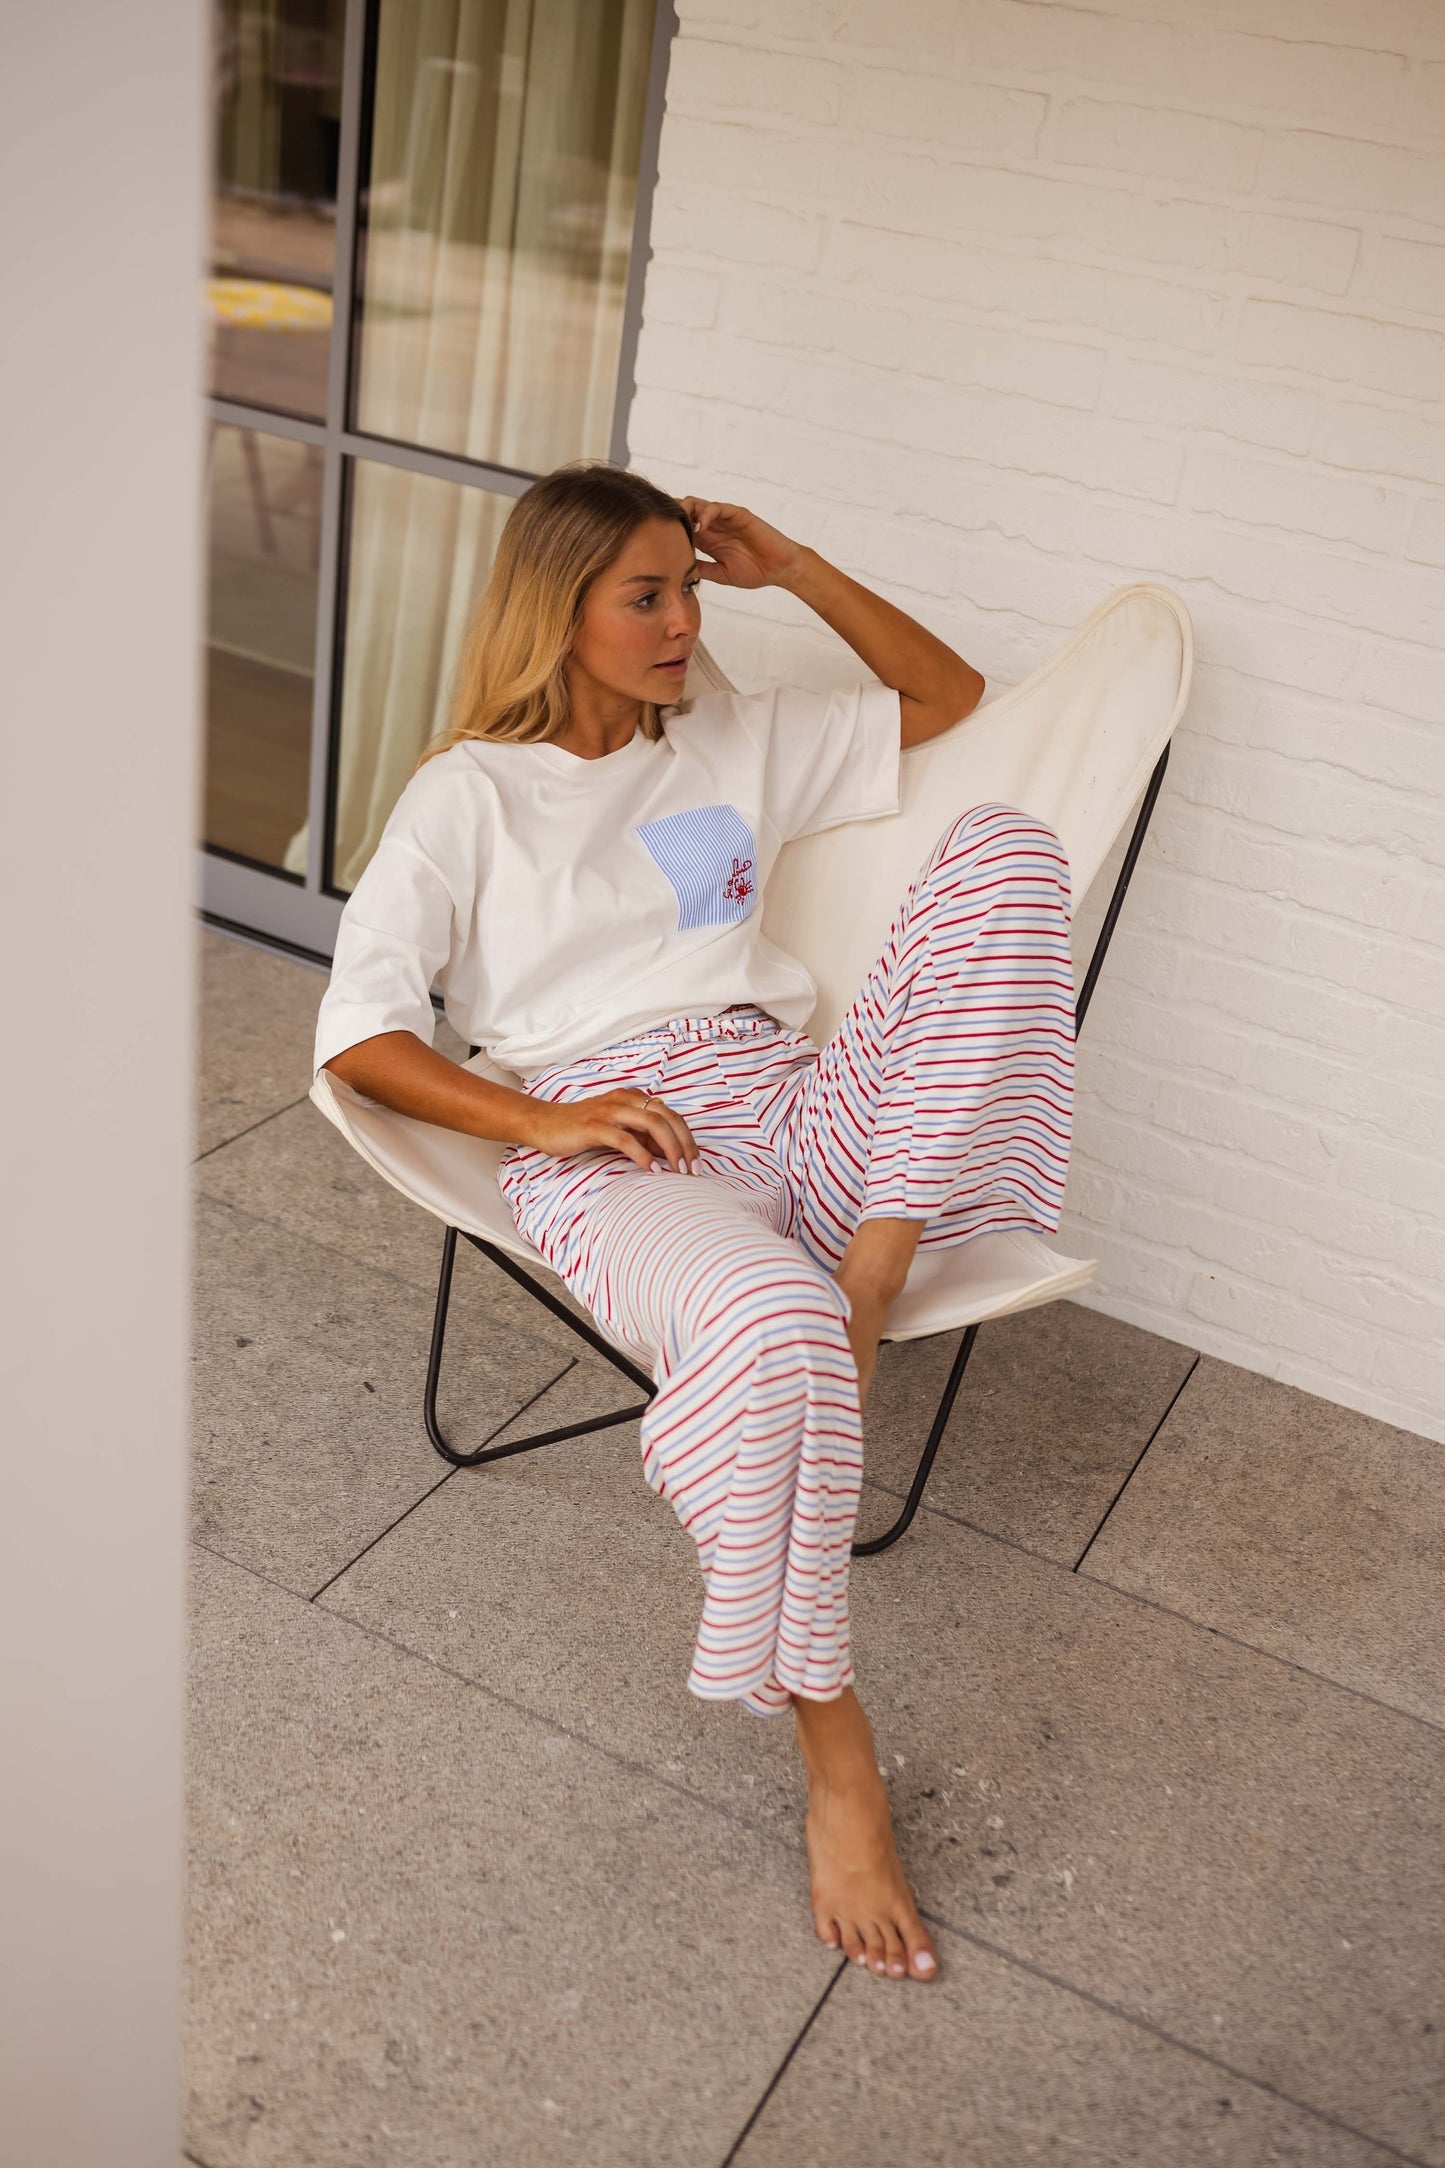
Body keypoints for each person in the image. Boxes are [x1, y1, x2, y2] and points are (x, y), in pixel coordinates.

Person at [315, 460, 1075, 1987]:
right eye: (644, 597)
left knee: (1007, 848)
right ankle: (835, 1751)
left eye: (688, 591)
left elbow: (949, 696)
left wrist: (793, 566)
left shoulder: (727, 736)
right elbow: (358, 1038)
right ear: (559, 610)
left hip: (798, 1108)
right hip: (620, 1146)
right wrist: (543, 1121)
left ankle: (870, 1273)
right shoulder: (469, 795)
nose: (682, 624)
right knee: (775, 1328)